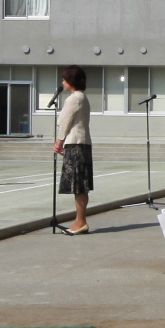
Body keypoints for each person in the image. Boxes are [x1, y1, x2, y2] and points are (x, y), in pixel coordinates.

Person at [53, 66, 94, 233]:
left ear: (71, 81)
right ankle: (79, 220)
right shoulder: (82, 98)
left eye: (64, 79)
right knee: (80, 185)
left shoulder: (73, 99)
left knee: (78, 186)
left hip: (75, 143)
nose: (62, 82)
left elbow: (65, 121)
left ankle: (80, 221)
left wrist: (58, 141)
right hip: (82, 143)